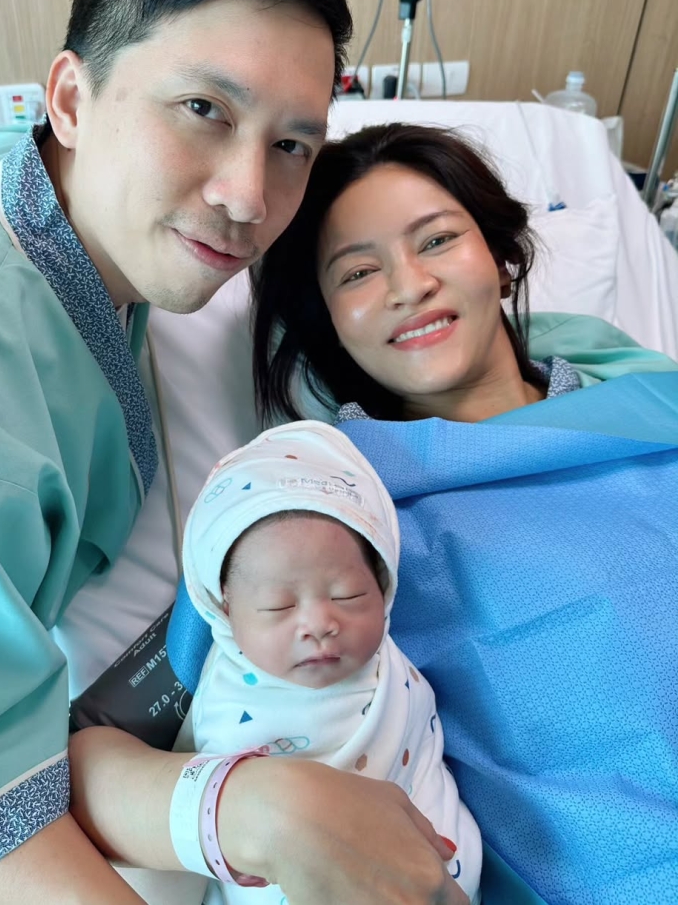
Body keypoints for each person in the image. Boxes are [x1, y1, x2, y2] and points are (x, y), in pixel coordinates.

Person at [0, 0, 473, 904]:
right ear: (71, 97)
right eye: (203, 108)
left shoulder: (53, 218)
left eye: (292, 144)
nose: (248, 196)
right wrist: (248, 811)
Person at [250, 123, 678, 904]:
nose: (408, 285)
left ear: (502, 258)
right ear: (329, 323)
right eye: (358, 273)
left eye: (438, 240)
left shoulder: (650, 402)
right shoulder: (327, 499)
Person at [69, 421, 482, 904]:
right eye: (279, 606)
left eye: (348, 595)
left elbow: (420, 751)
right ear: (226, 612)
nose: (319, 624)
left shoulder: (392, 667)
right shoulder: (227, 707)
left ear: (384, 584)